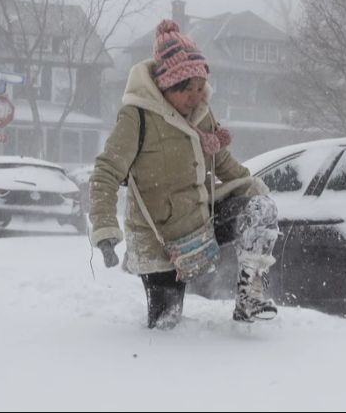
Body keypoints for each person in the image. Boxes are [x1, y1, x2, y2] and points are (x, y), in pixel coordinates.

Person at [89, 19, 280, 329]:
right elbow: (106, 172)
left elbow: (225, 164)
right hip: (159, 239)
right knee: (167, 326)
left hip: (201, 221)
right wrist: (105, 228)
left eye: (199, 86)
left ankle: (251, 296)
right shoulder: (137, 116)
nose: (196, 96)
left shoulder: (202, 115)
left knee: (260, 207)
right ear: (166, 85)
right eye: (186, 89)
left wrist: (260, 194)